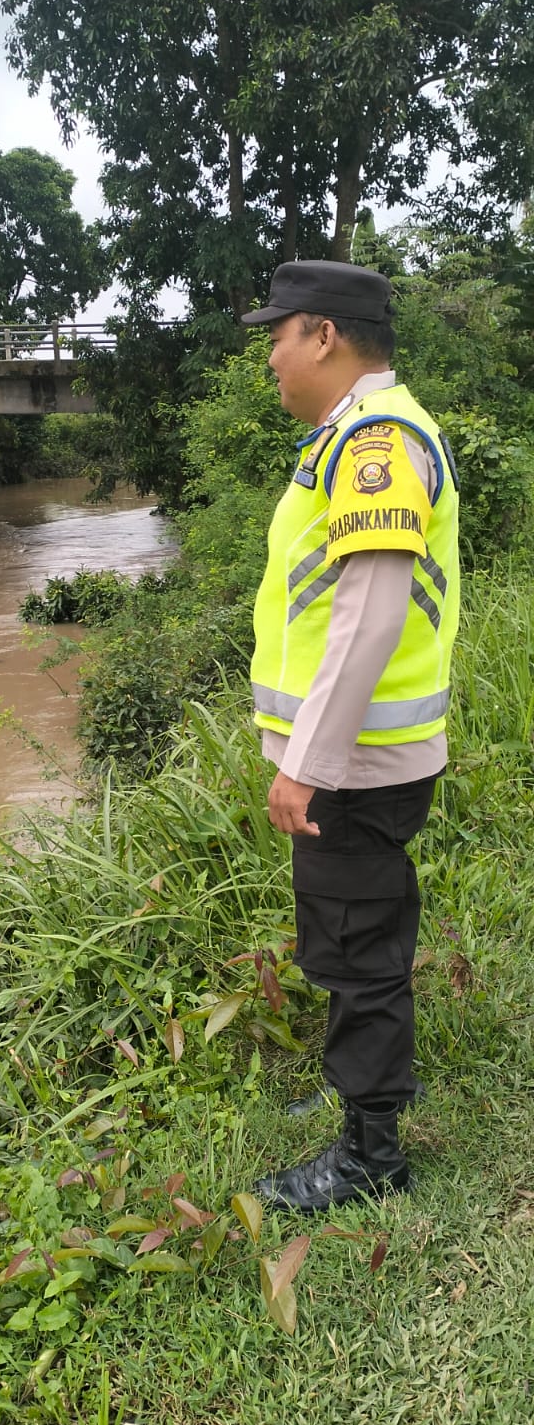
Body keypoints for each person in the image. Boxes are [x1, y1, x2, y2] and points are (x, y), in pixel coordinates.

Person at [241, 260, 460, 1214]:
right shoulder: (354, 437)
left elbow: (368, 615)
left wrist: (307, 763)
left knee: (355, 946)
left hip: (356, 766)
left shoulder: (376, 442)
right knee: (345, 935)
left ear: (323, 334)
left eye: (278, 338)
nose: (274, 362)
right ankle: (357, 1103)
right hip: (357, 758)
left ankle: (372, 1153)